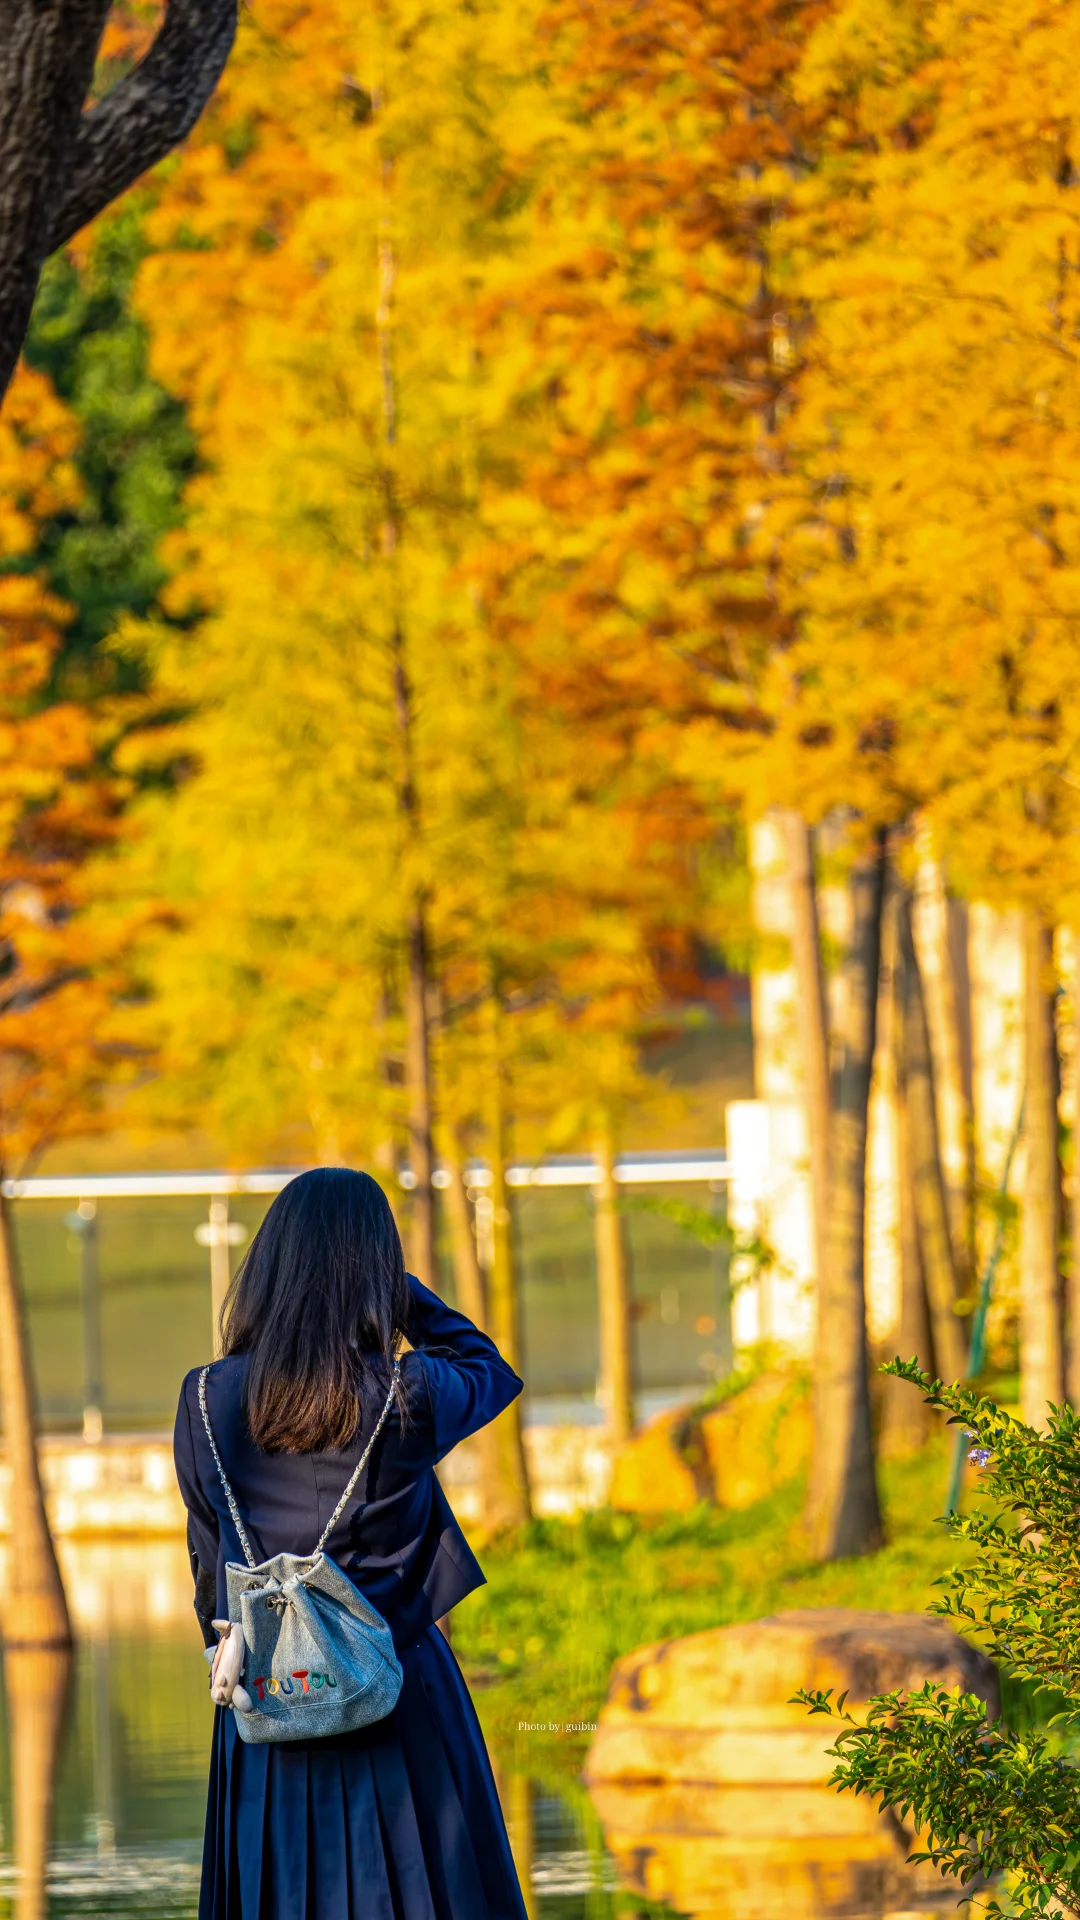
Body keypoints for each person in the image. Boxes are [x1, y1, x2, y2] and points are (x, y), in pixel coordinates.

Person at [173, 1165, 530, 1920]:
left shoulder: (204, 1396)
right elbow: (490, 1371)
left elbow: (210, 1568)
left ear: (268, 1264)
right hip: (396, 1688)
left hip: (267, 1694)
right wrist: (395, 1289)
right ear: (372, 1272)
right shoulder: (407, 1391)